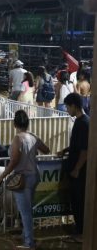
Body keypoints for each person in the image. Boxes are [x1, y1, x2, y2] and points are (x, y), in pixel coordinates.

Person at [0, 110, 50, 250]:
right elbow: (47, 150)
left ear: (14, 123)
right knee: (27, 210)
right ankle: (27, 237)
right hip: (34, 176)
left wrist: (1, 176)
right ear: (27, 123)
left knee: (25, 212)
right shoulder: (33, 137)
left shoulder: (17, 139)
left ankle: (29, 243)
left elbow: (13, 161)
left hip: (22, 178)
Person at [57, 93, 89, 244]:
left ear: (74, 106)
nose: (66, 109)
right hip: (76, 168)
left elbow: (84, 150)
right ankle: (79, 230)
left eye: (67, 106)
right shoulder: (81, 121)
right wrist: (66, 150)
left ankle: (82, 233)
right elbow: (77, 145)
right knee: (76, 201)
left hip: (79, 172)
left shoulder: (83, 123)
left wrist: (76, 169)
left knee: (79, 202)